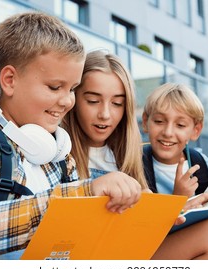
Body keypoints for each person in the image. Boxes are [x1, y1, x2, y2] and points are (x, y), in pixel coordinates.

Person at [0, 12, 141, 260]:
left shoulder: (59, 152)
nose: (67, 101)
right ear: (10, 80)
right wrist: (82, 195)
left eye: (72, 89)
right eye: (55, 87)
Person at [141, 82, 208, 259]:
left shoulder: (199, 162)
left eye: (180, 125)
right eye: (159, 121)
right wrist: (178, 200)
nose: (168, 132)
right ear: (145, 122)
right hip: (150, 248)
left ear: (195, 131)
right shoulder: (137, 162)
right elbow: (141, 227)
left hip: (192, 240)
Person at [61, 49, 148, 189]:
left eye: (117, 103)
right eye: (93, 101)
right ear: (73, 98)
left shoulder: (133, 158)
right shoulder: (54, 156)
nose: (105, 114)